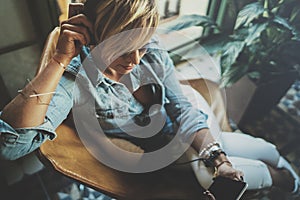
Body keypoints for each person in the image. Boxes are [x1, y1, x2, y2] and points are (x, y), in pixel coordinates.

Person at [0, 0, 298, 197]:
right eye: (122, 47)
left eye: (142, 45)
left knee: (247, 156)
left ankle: (285, 177)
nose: (135, 60)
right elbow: (12, 147)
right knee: (240, 171)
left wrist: (217, 158)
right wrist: (58, 62)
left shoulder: (148, 47)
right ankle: (287, 180)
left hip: (190, 112)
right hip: (167, 146)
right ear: (92, 34)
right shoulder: (76, 80)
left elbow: (181, 106)